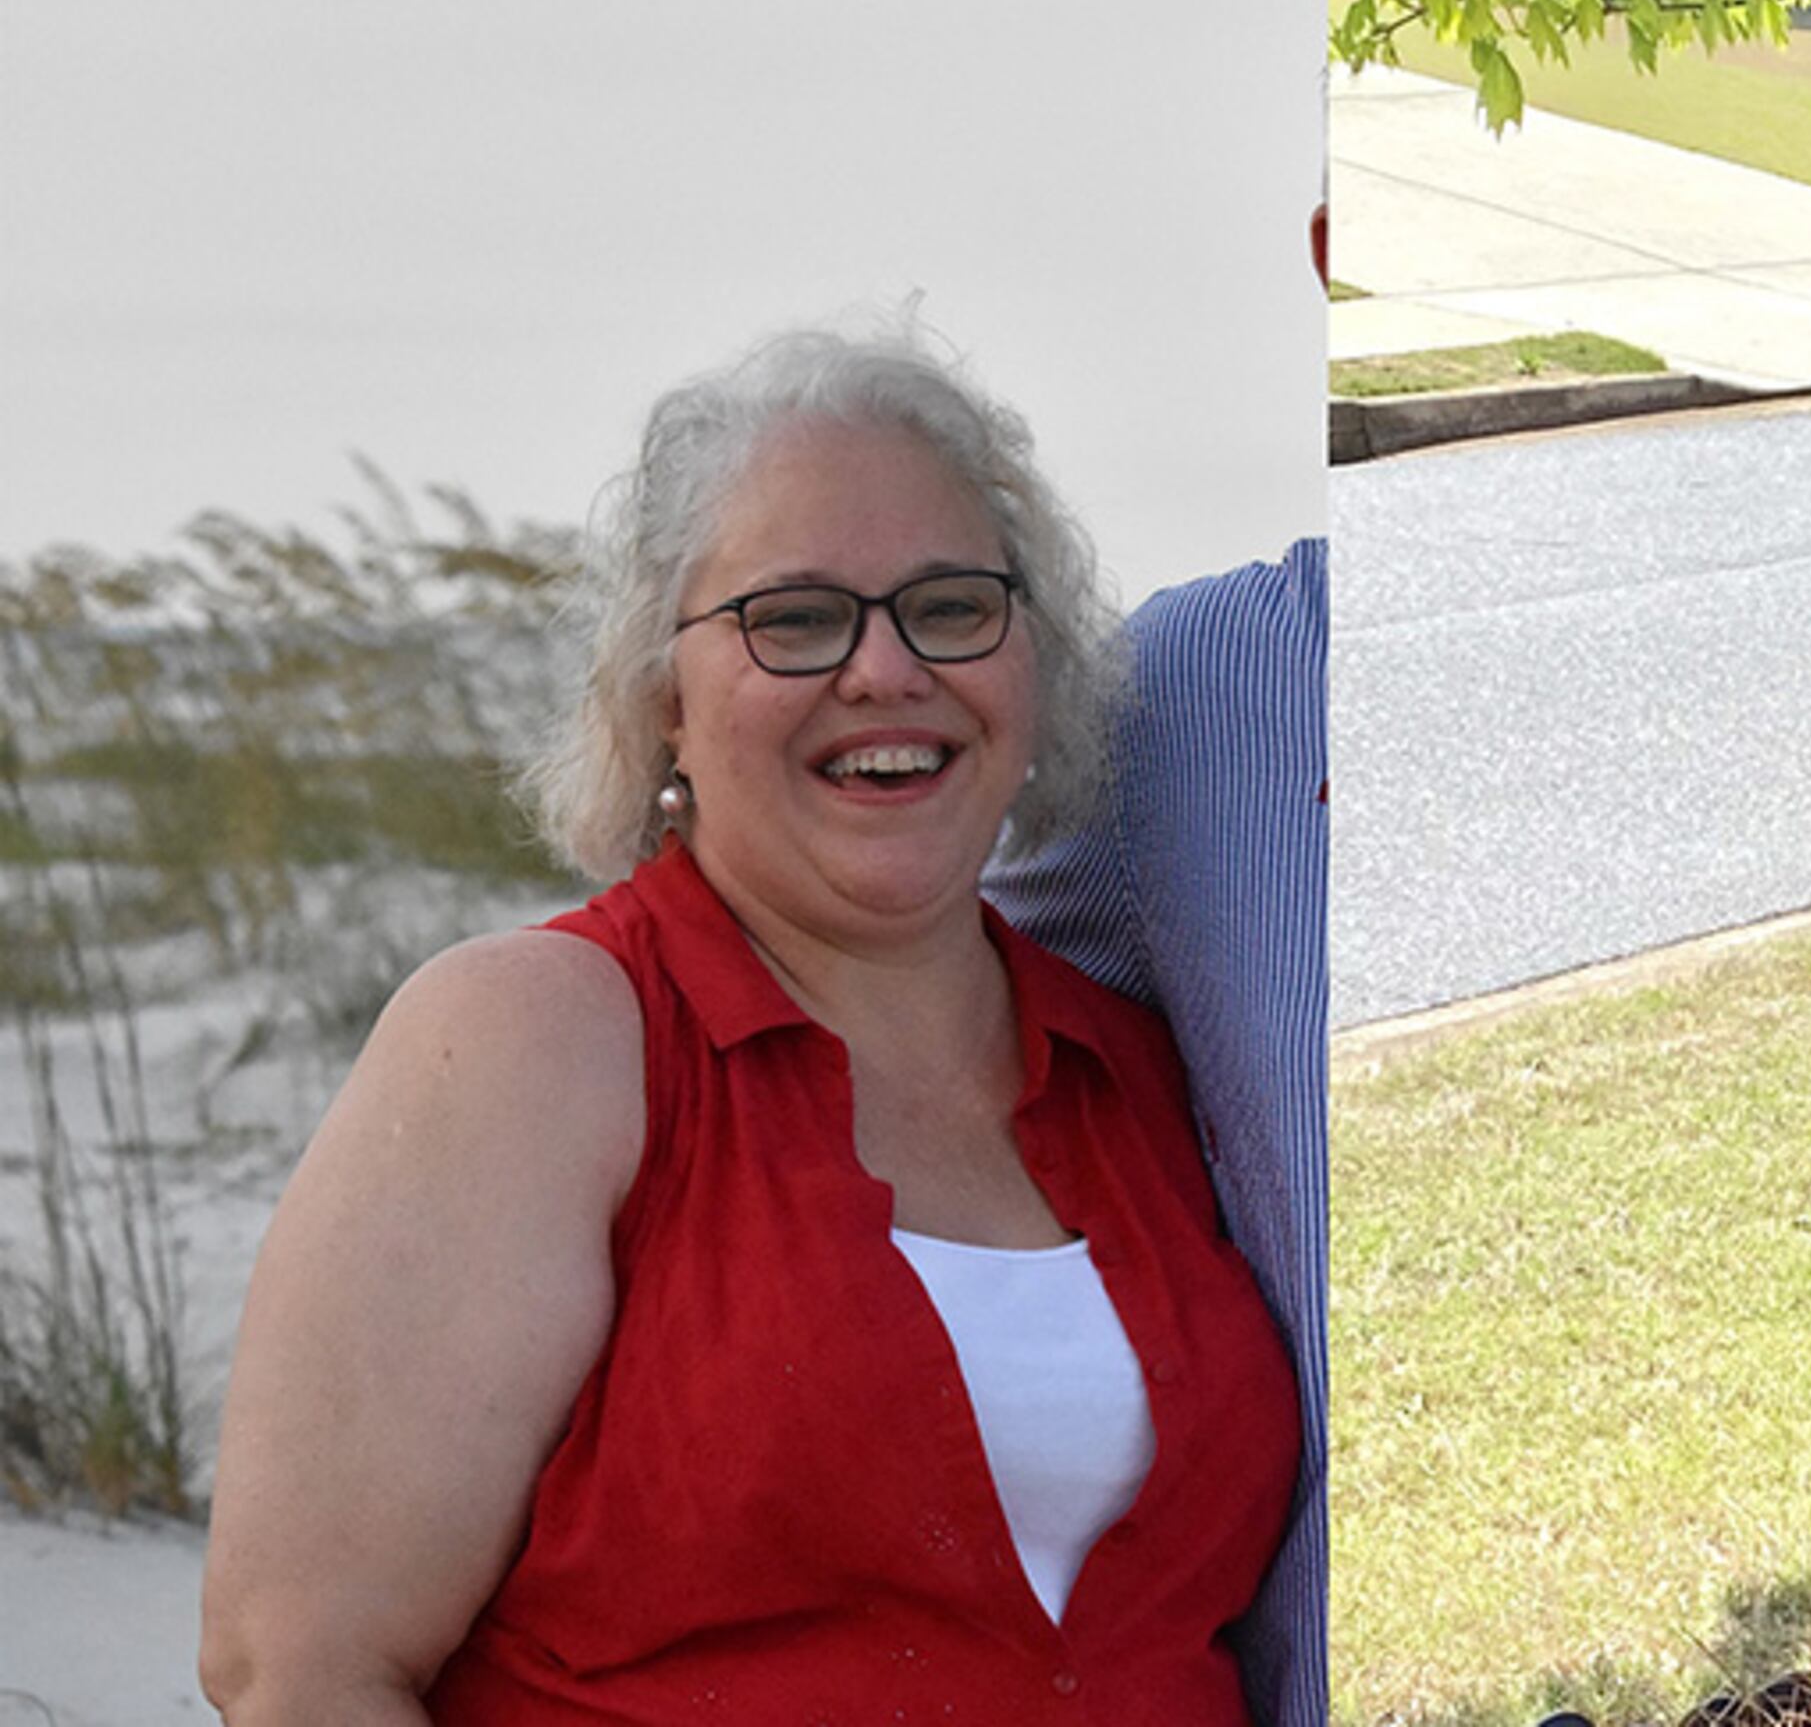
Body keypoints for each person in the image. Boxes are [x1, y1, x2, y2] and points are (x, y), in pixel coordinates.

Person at [201, 327, 1303, 1723]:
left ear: (1033, 659)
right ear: (662, 699)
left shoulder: (1140, 1065)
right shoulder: (529, 1048)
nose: (885, 671)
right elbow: (297, 1669)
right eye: (794, 619)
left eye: (950, 606)